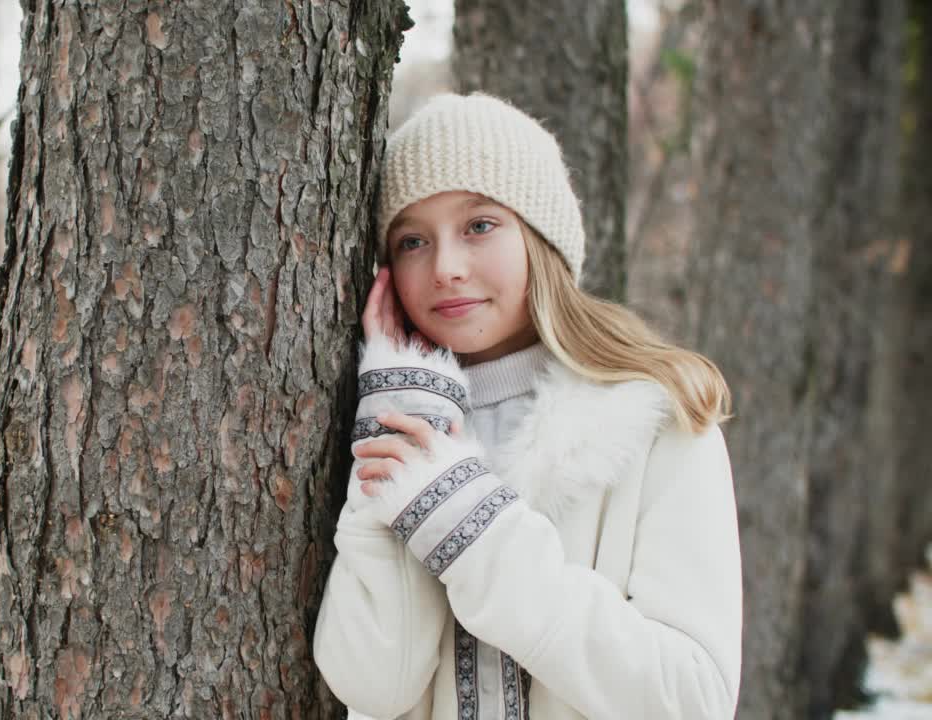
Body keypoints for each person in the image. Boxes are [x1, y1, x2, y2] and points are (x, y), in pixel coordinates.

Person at [312, 93, 742, 720]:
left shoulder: (660, 420)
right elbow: (376, 686)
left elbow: (692, 698)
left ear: (540, 236)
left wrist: (468, 522)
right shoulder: (392, 418)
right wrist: (404, 411)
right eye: (412, 241)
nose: (447, 268)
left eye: (479, 225)